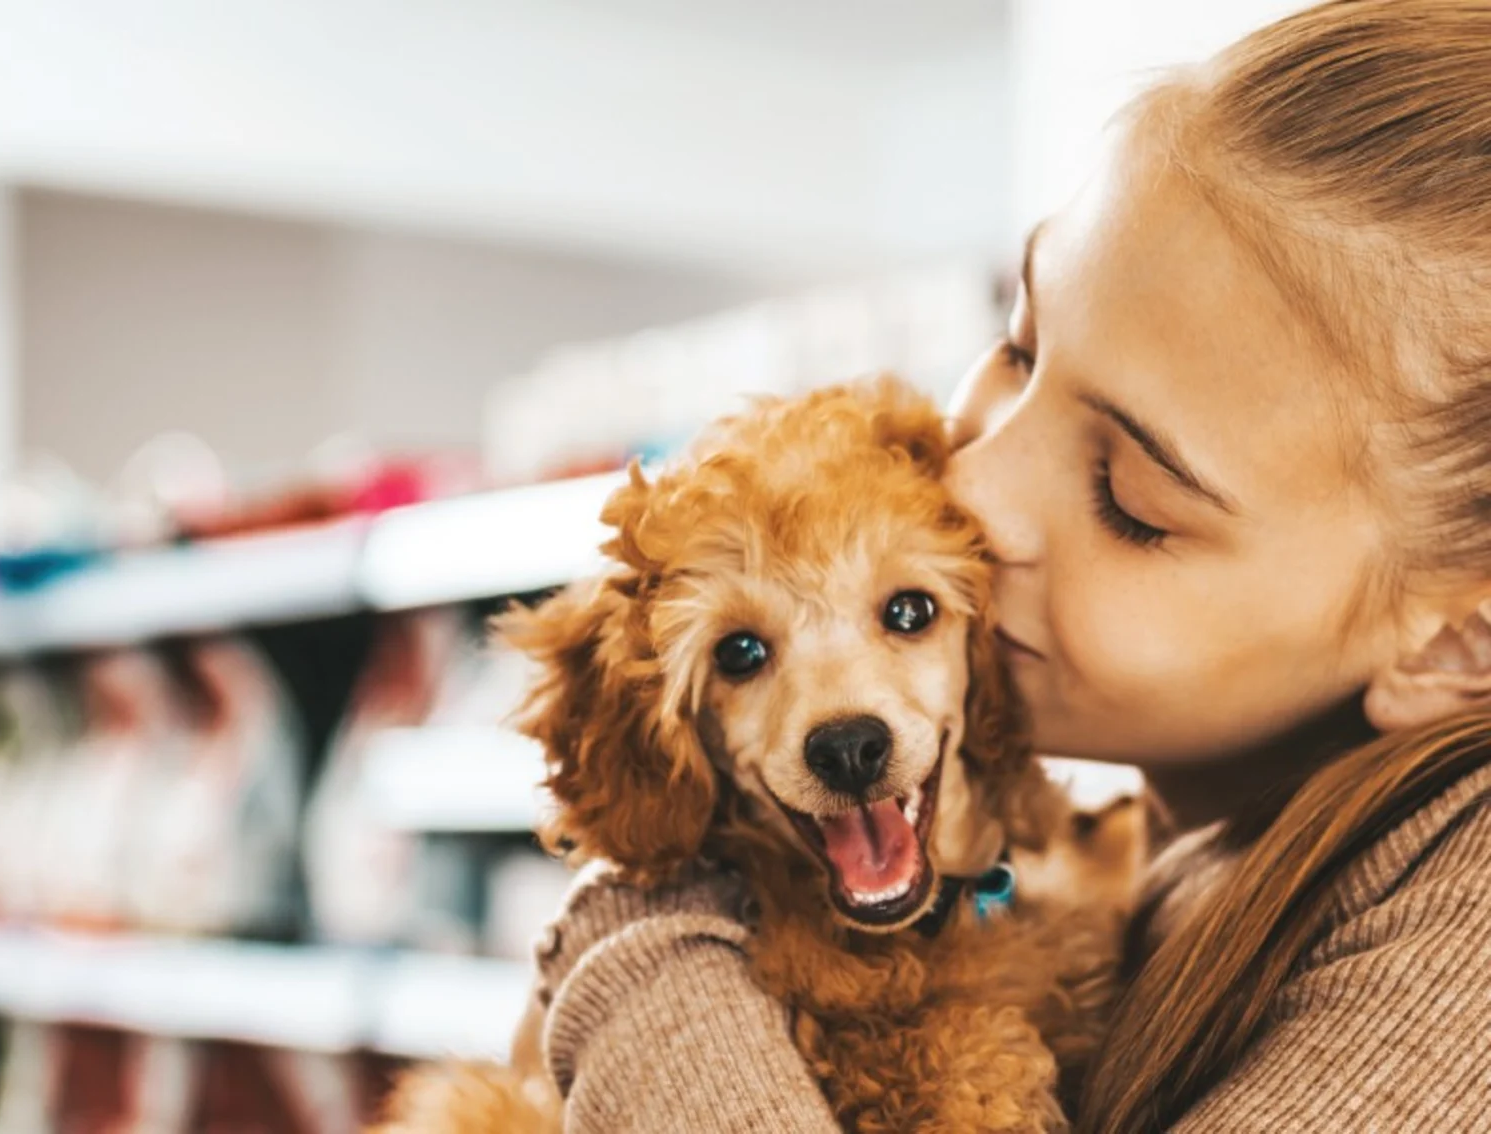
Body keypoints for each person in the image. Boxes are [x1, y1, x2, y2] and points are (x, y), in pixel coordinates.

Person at [527, 2, 1491, 1130]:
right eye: (1020, 343)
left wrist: (646, 951)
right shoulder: (1187, 826)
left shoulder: (1465, 954)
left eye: (1128, 500)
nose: (975, 491)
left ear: (1452, 644)